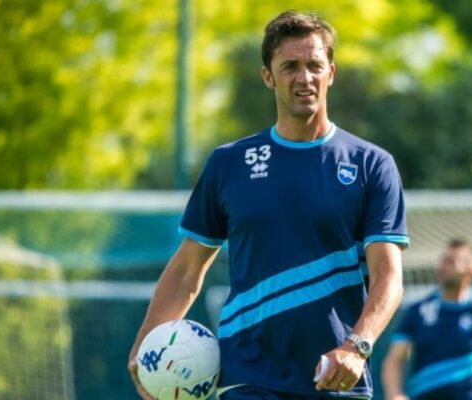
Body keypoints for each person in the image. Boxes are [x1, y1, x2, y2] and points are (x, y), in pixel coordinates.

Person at [128, 10, 410, 400]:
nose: (304, 77)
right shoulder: (228, 164)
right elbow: (187, 270)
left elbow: (388, 277)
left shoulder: (371, 165)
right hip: (248, 375)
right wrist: (146, 345)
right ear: (268, 76)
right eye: (290, 66)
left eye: (314, 65)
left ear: (331, 72)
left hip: (337, 376)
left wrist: (356, 347)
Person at [382, 239, 472, 400]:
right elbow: (394, 360)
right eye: (443, 260)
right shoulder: (416, 311)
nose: (443, 266)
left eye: (451, 261)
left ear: (471, 269)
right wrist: (395, 394)